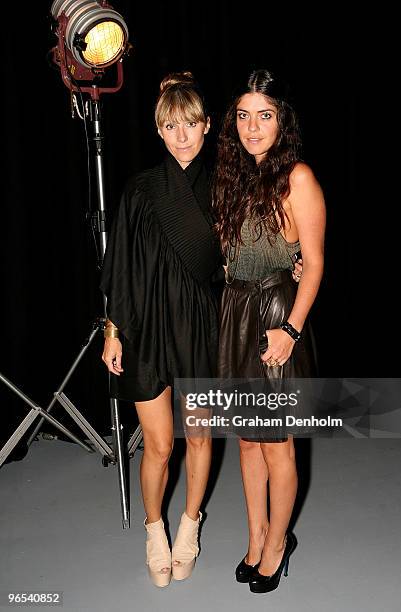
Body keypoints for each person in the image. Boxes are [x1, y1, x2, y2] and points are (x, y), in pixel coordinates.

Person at [99, 72, 224, 587]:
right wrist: (113, 330)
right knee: (157, 446)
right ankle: (155, 531)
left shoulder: (223, 188)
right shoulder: (140, 190)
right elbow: (122, 267)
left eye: (190, 124)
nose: (181, 136)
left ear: (208, 126)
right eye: (171, 126)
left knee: (198, 437)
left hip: (201, 327)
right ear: (159, 129)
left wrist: (295, 265)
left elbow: (250, 254)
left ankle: (190, 526)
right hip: (147, 328)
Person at [212, 68, 326, 594]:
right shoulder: (231, 178)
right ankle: (257, 536)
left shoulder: (296, 178)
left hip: (275, 317)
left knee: (277, 444)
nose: (252, 126)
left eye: (265, 115)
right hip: (236, 314)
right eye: (243, 115)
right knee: (247, 444)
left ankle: (279, 543)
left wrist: (292, 330)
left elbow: (316, 262)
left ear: (283, 120)